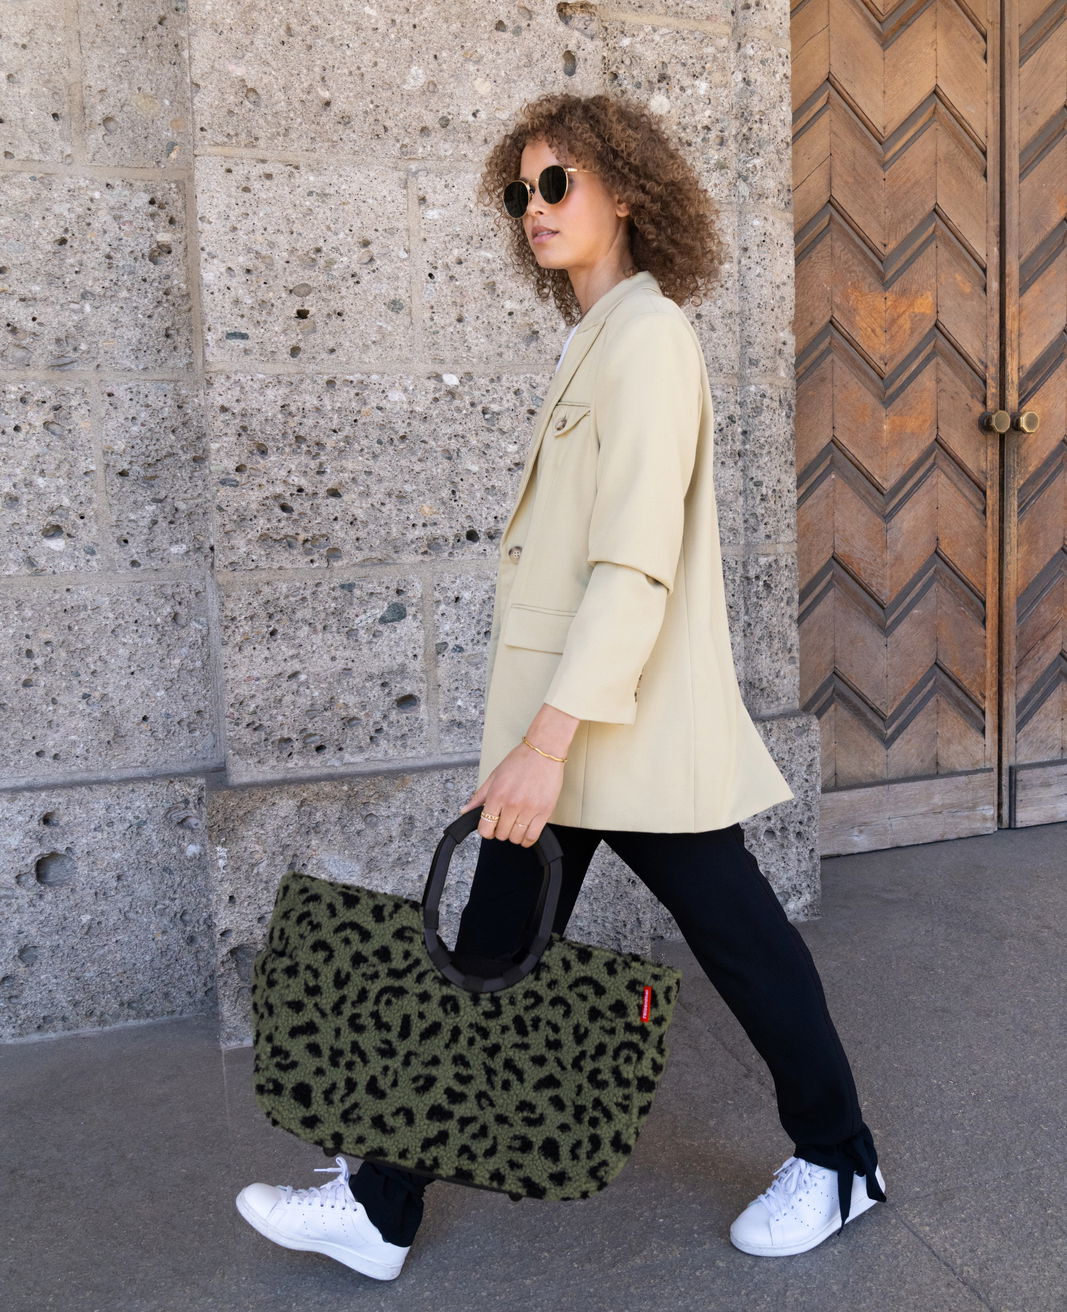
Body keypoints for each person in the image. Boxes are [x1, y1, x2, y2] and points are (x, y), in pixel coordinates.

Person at [235, 92, 887, 1282]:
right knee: (488, 942)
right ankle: (382, 1204)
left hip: (607, 730)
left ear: (624, 192)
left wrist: (544, 742)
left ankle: (839, 1158)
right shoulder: (594, 337)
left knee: (737, 940)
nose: (532, 208)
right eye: (517, 192)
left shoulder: (648, 338)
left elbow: (629, 564)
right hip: (575, 729)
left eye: (556, 184)